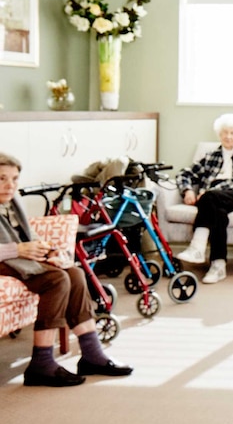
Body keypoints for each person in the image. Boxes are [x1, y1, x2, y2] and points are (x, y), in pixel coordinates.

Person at [0, 153, 133, 387]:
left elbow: (28, 235)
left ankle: (92, 354)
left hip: (16, 256)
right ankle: (41, 363)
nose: (10, 185)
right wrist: (17, 250)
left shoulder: (12, 202)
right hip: (6, 259)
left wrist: (49, 250)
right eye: (2, 179)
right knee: (57, 279)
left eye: (14, 179)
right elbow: (18, 244)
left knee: (74, 273)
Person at [175, 113, 233, 284]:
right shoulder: (211, 156)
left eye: (232, 133)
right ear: (219, 134)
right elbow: (184, 173)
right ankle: (218, 265)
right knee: (218, 212)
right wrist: (187, 190)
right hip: (215, 200)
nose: (228, 136)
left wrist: (212, 190)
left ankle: (197, 247)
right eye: (225, 132)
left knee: (210, 197)